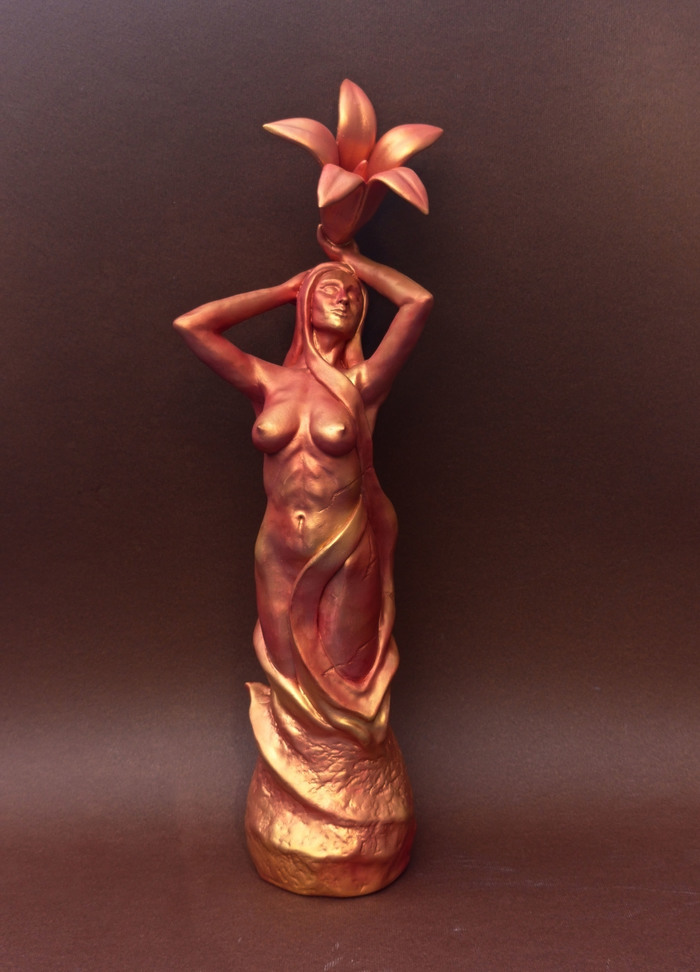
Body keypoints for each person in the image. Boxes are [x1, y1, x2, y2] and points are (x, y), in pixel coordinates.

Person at [174, 231, 433, 745]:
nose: (345, 297)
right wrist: (284, 290)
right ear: (305, 303)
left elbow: (417, 301)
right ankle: (300, 782)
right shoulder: (266, 381)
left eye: (353, 295)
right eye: (330, 289)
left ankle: (350, 783)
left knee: (342, 682)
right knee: (289, 682)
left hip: (343, 550)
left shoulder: (362, 384)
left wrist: (350, 260)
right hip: (276, 553)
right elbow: (192, 325)